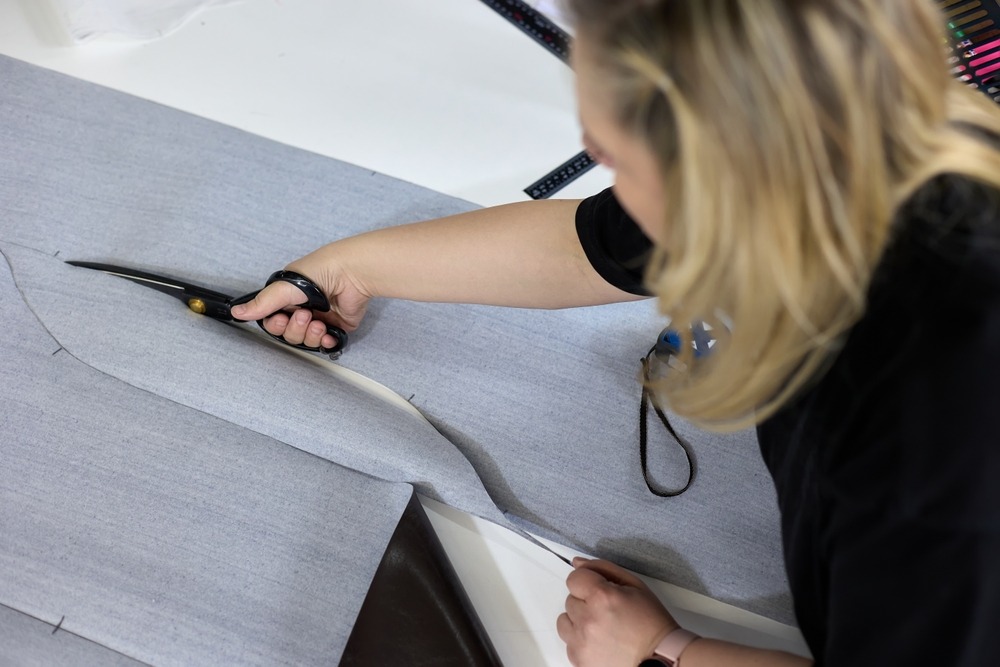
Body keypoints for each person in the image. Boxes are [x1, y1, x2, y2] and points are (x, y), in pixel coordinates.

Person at [232, 0, 1000, 665]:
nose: (599, 166)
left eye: (612, 153)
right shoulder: (876, 136)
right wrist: (349, 269)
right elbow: (586, 247)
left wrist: (664, 648)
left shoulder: (926, 432)